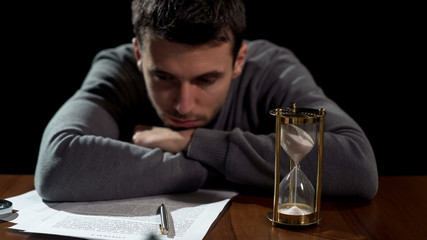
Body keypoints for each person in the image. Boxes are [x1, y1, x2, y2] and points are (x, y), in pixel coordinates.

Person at [35, 0, 378, 202]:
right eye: (164, 76)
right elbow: (57, 166)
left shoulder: (272, 69)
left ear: (239, 60)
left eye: (206, 80)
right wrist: (216, 164)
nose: (183, 105)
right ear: (139, 55)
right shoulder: (117, 69)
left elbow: (356, 166)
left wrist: (188, 142)